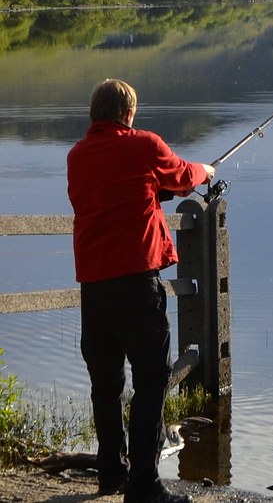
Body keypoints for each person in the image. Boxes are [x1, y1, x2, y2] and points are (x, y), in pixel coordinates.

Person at [67, 79, 215, 503]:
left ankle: (111, 472)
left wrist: (155, 190)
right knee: (152, 380)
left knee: (106, 383)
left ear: (95, 114)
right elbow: (183, 175)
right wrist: (205, 171)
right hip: (136, 284)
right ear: (127, 114)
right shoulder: (143, 144)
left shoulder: (77, 156)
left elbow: (118, 194)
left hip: (93, 289)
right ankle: (145, 486)